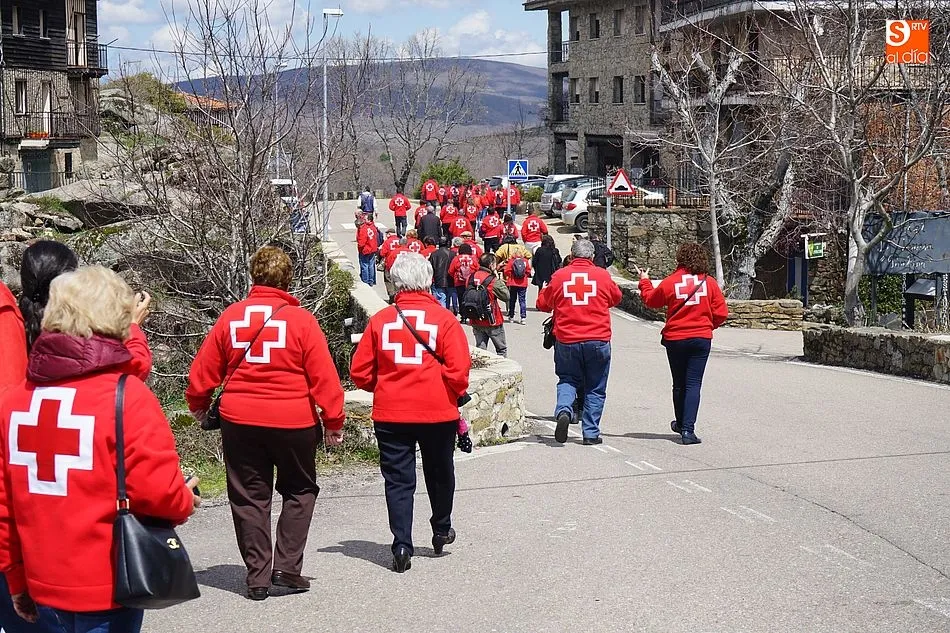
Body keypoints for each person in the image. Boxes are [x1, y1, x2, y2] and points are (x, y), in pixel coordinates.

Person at [0, 266, 199, 632]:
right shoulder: (128, 397)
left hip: (37, 584)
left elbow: (4, 507)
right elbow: (161, 495)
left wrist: (14, 579)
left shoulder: (12, 404)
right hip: (106, 587)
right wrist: (186, 498)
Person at [187, 246, 346, 601]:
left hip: (240, 420)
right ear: (288, 279)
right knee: (300, 489)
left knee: (248, 496)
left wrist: (199, 405)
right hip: (293, 420)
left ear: (253, 276)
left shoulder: (232, 316)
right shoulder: (302, 321)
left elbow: (203, 371)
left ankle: (257, 577)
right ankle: (287, 568)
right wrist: (333, 420)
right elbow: (324, 378)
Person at [350, 253, 470, 573]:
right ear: (428, 280)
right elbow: (459, 373)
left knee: (398, 480)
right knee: (440, 471)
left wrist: (387, 386)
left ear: (395, 282)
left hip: (391, 413)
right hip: (437, 412)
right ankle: (441, 527)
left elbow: (360, 372)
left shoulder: (381, 320)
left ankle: (402, 543)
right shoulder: (444, 319)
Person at [637, 243, 728, 445]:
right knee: (693, 383)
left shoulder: (671, 282)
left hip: (676, 339)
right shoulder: (709, 282)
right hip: (701, 338)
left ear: (680, 259)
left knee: (679, 383)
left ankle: (679, 423)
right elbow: (721, 313)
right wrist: (707, 327)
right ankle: (688, 430)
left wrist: (644, 281)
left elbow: (651, 300)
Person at [537, 239, 622, 445]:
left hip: (567, 340)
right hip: (598, 339)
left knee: (567, 379)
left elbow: (542, 304)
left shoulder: (560, 276)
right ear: (592, 257)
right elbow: (616, 298)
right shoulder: (602, 276)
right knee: (595, 387)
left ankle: (564, 410)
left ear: (572, 255)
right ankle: (591, 433)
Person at [467, 254, 509, 357]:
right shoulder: (493, 280)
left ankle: (481, 369)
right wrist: (497, 276)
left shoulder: (471, 277)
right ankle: (502, 370)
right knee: (501, 350)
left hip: (475, 317)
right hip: (492, 319)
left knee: (480, 350)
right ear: (491, 265)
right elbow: (506, 296)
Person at [448, 243, 477, 322]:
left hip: (459, 282)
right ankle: (470, 314)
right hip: (471, 282)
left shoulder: (457, 258)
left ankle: (463, 316)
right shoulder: (473, 258)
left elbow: (450, 270)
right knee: (470, 299)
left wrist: (455, 276)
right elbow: (477, 268)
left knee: (461, 299)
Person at [503, 249, 532, 325]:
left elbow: (506, 271)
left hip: (513, 283)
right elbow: (528, 271)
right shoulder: (525, 261)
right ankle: (523, 317)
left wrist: (510, 276)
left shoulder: (511, 261)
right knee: (522, 300)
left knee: (512, 300)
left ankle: (511, 316)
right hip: (523, 283)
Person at [429, 239, 456, 311]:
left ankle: (443, 312)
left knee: (441, 298)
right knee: (447, 298)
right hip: (450, 279)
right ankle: (446, 312)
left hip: (438, 279)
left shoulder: (434, 254)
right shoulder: (453, 254)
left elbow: (430, 268)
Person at [356, 214, 379, 286]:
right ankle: (371, 280)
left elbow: (361, 243)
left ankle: (365, 281)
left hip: (365, 250)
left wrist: (359, 246)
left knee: (365, 266)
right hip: (373, 248)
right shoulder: (373, 227)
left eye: (365, 219)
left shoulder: (364, 229)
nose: (364, 220)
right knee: (371, 265)